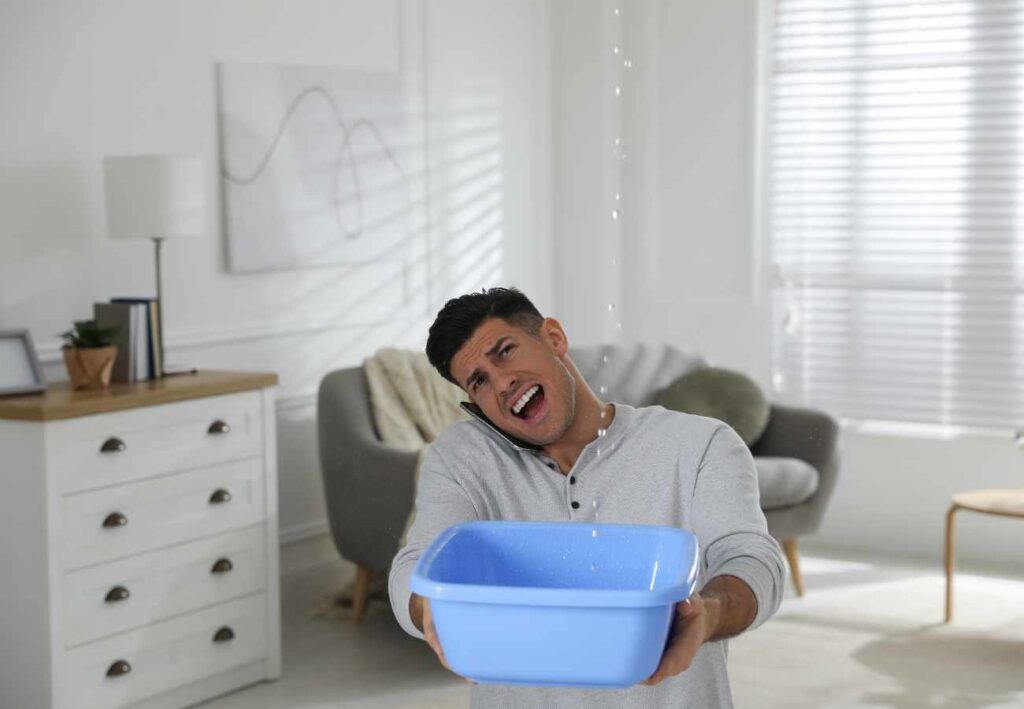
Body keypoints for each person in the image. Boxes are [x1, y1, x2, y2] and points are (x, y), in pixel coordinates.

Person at [388, 287, 785, 708]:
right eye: (479, 381)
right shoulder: (464, 458)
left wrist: (709, 614)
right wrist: (430, 605)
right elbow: (413, 565)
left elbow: (751, 558)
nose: (503, 383)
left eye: (505, 351)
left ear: (554, 338)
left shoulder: (698, 444)